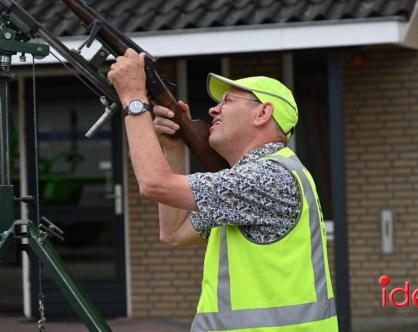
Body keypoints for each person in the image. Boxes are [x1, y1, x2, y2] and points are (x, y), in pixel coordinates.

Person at [108, 49, 338, 331]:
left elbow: (154, 183)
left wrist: (133, 100)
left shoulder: (267, 178)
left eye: (227, 101)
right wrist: (173, 147)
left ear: (263, 113)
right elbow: (173, 233)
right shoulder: (250, 182)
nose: (213, 109)